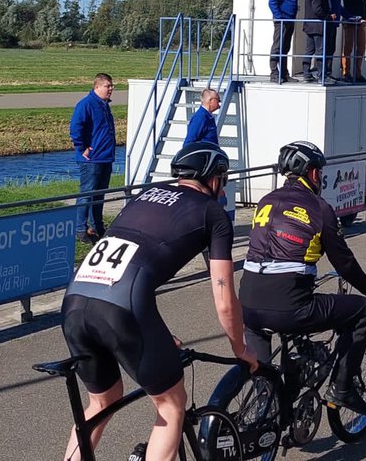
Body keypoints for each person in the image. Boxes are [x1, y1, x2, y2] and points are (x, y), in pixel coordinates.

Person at [59, 142, 258, 461]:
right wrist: (240, 349)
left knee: (102, 401)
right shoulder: (213, 214)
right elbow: (224, 298)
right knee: (171, 404)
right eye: (223, 180)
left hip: (75, 300)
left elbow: (132, 269)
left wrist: (159, 336)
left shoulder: (146, 195)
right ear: (212, 178)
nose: (223, 189)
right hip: (122, 307)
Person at [239, 141, 366, 415]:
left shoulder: (265, 201)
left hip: (247, 300)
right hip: (289, 303)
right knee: (363, 310)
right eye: (321, 172)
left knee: (263, 369)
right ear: (314, 173)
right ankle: (342, 389)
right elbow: (344, 263)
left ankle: (267, 410)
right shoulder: (319, 208)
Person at [71, 73, 117, 244]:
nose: (111, 89)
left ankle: (97, 226)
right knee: (87, 194)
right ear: (97, 87)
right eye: (107, 86)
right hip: (92, 159)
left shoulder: (104, 105)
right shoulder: (86, 104)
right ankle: (80, 229)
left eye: (111, 86)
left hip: (105, 157)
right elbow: (75, 127)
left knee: (99, 195)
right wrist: (82, 147)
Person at [268, 0, 299, 82]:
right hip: (282, 20)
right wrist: (279, 17)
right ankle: (274, 73)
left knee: (285, 47)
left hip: (290, 19)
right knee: (277, 46)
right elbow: (272, 2)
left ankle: (284, 73)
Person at [300, 0, 331, 83]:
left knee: (309, 50)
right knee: (320, 51)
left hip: (309, 25)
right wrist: (328, 16)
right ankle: (321, 75)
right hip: (317, 26)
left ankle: (306, 73)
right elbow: (317, 9)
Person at [325, 0, 347, 80]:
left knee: (331, 48)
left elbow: (338, 6)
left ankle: (328, 72)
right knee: (328, 47)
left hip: (334, 22)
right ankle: (325, 73)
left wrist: (350, 16)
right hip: (329, 22)